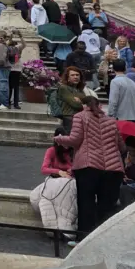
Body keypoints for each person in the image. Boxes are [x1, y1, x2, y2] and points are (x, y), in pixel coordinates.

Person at [54, 96, 124, 234]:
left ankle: (84, 236)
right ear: (100, 106)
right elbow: (121, 146)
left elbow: (75, 139)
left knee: (86, 202)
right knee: (107, 205)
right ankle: (105, 235)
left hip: (88, 166)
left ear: (83, 105)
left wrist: (58, 138)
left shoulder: (80, 116)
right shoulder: (111, 120)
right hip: (113, 168)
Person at [30, 128, 78, 239]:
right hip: (55, 181)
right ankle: (58, 228)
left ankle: (64, 228)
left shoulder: (74, 151)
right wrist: (58, 172)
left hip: (70, 181)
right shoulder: (51, 151)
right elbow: (44, 169)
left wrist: (72, 170)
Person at [54, 67, 87, 132]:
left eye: (77, 75)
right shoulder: (64, 88)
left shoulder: (79, 90)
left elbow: (89, 102)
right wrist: (83, 103)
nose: (75, 77)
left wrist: (81, 101)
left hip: (80, 117)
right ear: (67, 78)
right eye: (72, 75)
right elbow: (75, 104)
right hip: (69, 118)